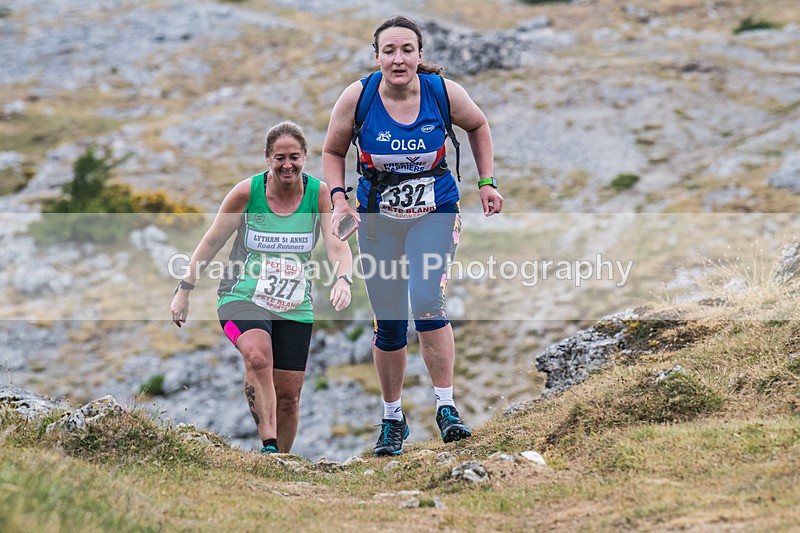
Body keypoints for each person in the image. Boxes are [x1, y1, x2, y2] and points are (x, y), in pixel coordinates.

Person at [322, 16, 503, 456]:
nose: (398, 59)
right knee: (389, 322)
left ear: (420, 55)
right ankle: (392, 418)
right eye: (389, 51)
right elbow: (332, 151)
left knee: (426, 302)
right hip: (378, 221)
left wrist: (487, 182)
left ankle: (446, 407)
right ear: (377, 57)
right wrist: (340, 199)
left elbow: (478, 125)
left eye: (407, 50)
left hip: (434, 214)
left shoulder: (443, 93)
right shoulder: (358, 97)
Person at [170, 121, 353, 455]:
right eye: (279, 158)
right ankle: (268, 445)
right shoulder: (247, 193)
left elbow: (337, 246)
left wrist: (344, 279)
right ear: (267, 158)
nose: (287, 165)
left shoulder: (319, 194)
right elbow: (211, 241)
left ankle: (280, 463)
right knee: (257, 355)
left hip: (294, 304)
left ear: (305, 157)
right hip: (241, 295)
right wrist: (184, 289)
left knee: (289, 397)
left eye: (294, 157)